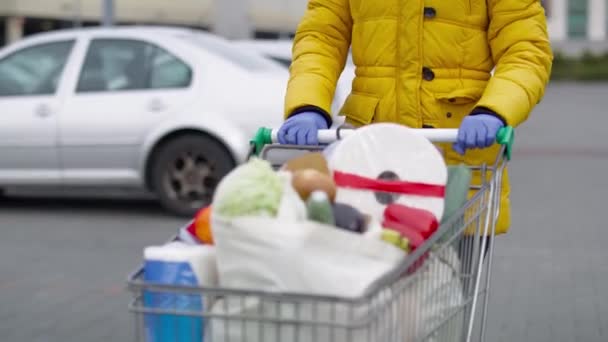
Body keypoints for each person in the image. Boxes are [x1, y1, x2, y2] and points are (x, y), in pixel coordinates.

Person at [277, 0, 552, 236]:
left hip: (455, 170)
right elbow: (322, 38)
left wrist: (495, 110)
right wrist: (307, 104)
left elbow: (525, 51)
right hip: (371, 169)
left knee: (449, 292)